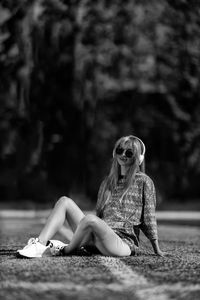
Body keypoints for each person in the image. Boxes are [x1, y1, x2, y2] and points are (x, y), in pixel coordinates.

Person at [17, 135, 164, 258]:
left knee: (90, 219)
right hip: (97, 238)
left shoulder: (144, 181)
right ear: (115, 153)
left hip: (121, 244)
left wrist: (156, 248)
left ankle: (65, 250)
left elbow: (149, 217)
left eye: (129, 153)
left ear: (139, 157)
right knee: (64, 201)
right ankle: (39, 245)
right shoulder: (107, 183)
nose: (123, 155)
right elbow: (100, 215)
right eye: (120, 150)